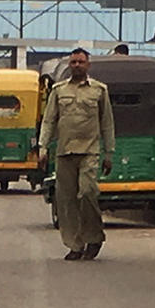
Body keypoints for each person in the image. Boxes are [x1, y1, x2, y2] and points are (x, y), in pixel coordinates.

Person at [40, 47, 114, 261]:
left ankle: (93, 237)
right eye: (73, 62)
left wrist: (109, 153)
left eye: (81, 62)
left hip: (89, 152)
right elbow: (49, 120)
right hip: (64, 152)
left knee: (88, 192)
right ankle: (75, 245)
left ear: (88, 65)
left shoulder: (99, 90)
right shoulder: (58, 90)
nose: (77, 66)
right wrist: (43, 147)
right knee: (67, 201)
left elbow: (107, 123)